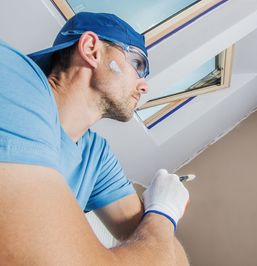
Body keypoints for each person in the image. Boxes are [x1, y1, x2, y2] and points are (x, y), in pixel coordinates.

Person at [0, 12, 190, 265]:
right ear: (91, 49)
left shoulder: (96, 156)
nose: (145, 87)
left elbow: (170, 257)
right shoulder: (12, 77)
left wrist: (157, 218)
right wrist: (165, 213)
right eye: (138, 64)